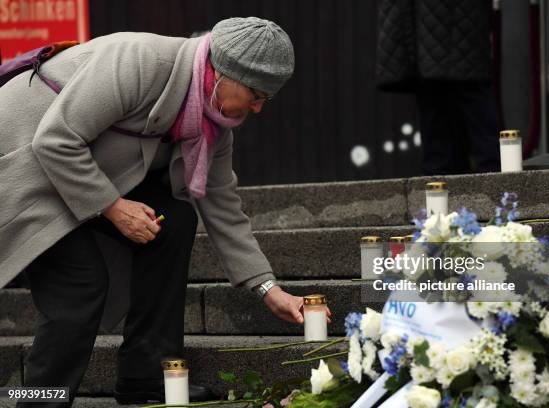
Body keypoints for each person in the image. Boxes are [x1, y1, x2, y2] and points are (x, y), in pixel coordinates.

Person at [0, 17, 331, 407]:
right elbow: (55, 141)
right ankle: (38, 401)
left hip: (80, 176)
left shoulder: (213, 121)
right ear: (223, 73)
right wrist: (114, 207)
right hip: (24, 170)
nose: (257, 108)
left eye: (266, 99)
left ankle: (147, 377)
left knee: (174, 220)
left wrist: (268, 290)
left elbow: (223, 206)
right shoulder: (140, 62)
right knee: (82, 284)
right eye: (256, 93)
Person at [376, 0, 501, 175]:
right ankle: (493, 185)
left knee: (462, 107)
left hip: (447, 29)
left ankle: (498, 188)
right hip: (434, 31)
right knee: (442, 114)